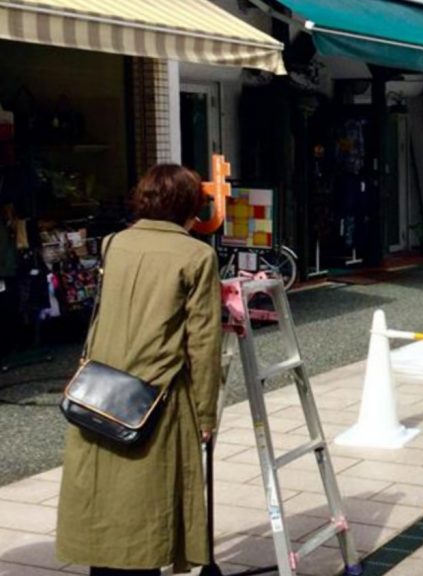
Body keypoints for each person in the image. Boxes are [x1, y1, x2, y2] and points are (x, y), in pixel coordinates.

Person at [56, 164, 223, 576]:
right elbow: (202, 343)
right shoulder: (198, 255)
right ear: (189, 207)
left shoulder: (114, 244)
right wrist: (205, 413)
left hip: (99, 391)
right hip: (157, 398)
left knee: (104, 505)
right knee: (146, 510)